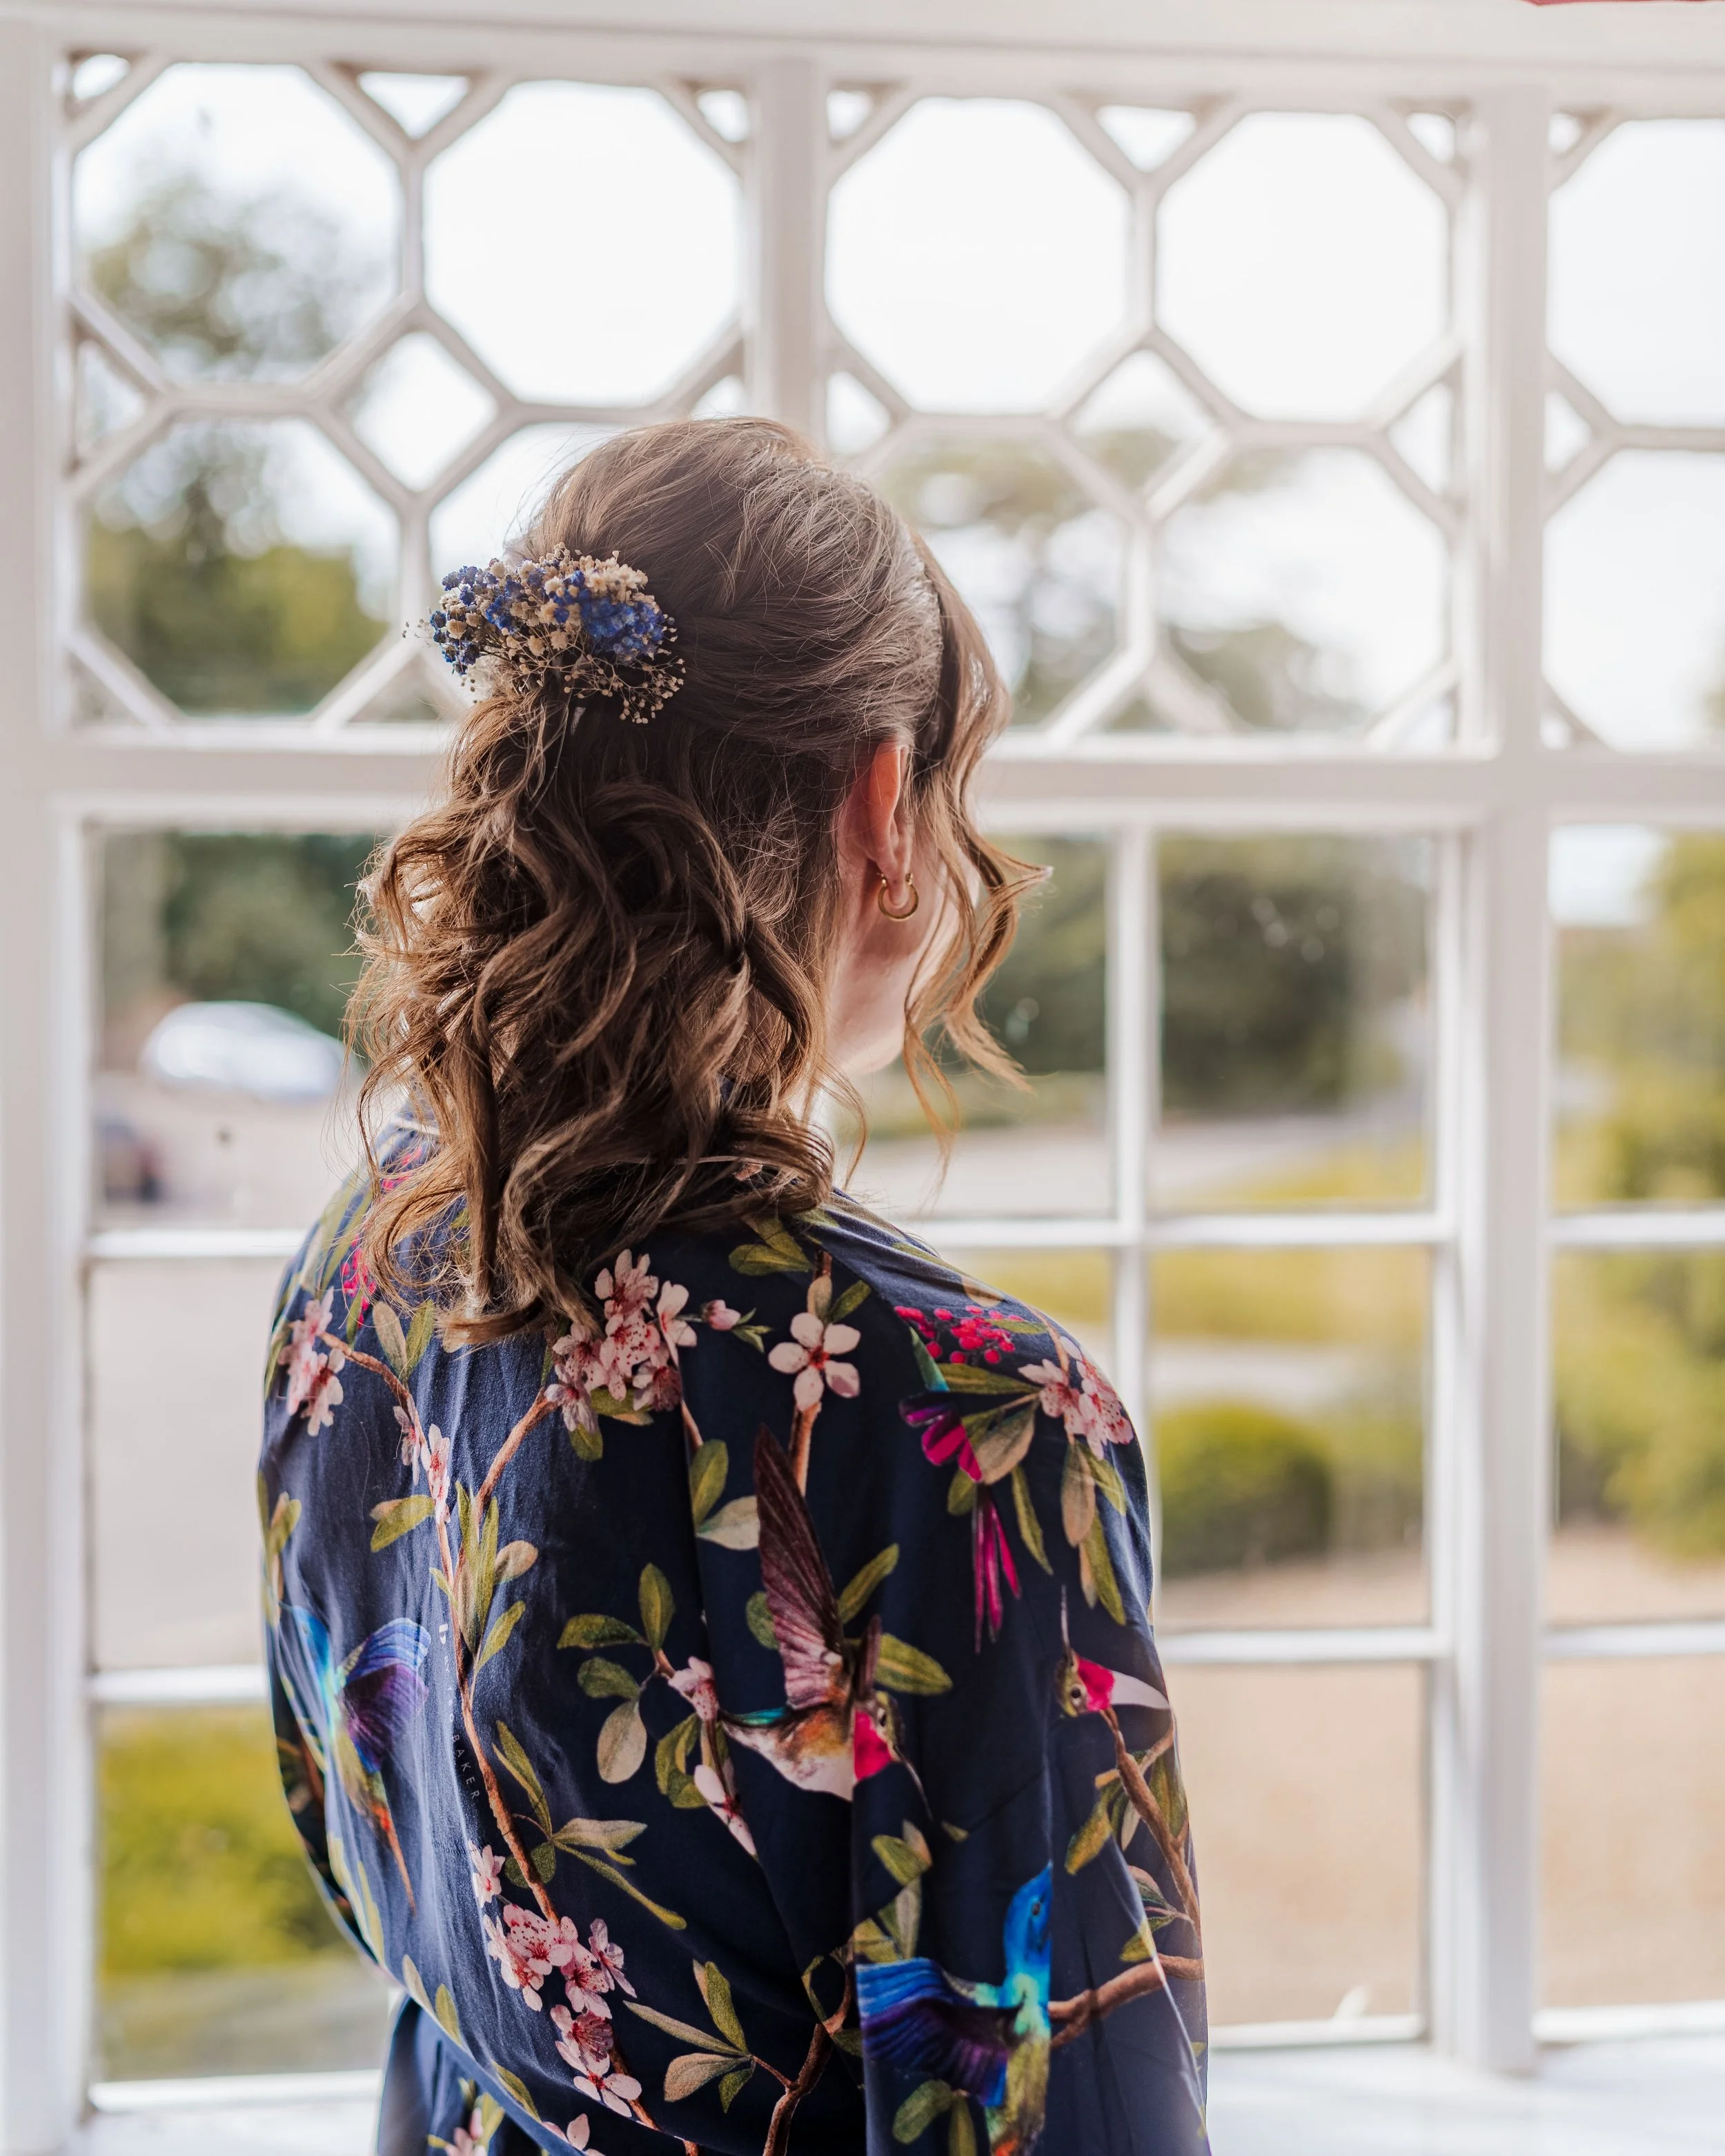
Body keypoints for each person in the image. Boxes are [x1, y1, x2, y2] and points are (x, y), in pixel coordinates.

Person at [260, 418, 1209, 2156]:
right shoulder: (961, 1414)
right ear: (876, 796)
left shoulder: (364, 1255)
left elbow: (362, 1851)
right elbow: (1054, 2107)